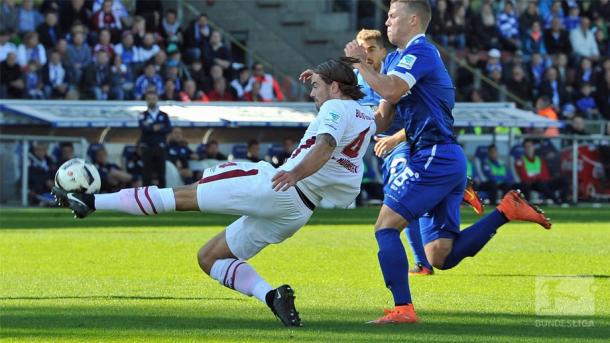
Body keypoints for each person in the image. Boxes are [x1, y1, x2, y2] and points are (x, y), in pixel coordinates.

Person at [53, 57, 375, 327]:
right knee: (209, 258)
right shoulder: (365, 115)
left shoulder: (334, 107)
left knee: (184, 196)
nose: (313, 94)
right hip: (299, 210)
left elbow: (325, 145)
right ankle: (272, 296)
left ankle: (91, 200)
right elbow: (380, 117)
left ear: (335, 87)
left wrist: (294, 172)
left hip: (279, 185)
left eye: (316, 86)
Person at [340, 0, 551, 324]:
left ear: (413, 20)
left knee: (385, 227)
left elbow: (393, 89)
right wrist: (341, 115)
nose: (387, 22)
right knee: (441, 254)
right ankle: (507, 209)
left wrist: (362, 65)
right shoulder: (396, 58)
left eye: (392, 15)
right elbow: (382, 119)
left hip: (433, 155)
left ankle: (403, 309)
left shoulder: (421, 52)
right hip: (441, 159)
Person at [352, 28, 483, 276]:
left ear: (383, 51)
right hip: (389, 144)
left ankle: (420, 266)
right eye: (361, 49)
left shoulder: (399, 66)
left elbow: (419, 116)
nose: (366, 55)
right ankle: (453, 190)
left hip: (404, 144)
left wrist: (395, 138)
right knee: (436, 246)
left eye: (371, 49)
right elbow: (377, 117)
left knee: (396, 205)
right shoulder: (360, 77)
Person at [139, 90, 172, 188]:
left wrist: (152, 127)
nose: (151, 101)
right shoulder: (143, 115)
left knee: (161, 174)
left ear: (157, 99)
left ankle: (163, 198)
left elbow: (169, 128)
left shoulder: (164, 115)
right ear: (146, 101)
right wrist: (158, 127)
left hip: (160, 147)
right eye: (149, 99)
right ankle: (145, 199)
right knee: (146, 175)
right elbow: (143, 128)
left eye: (153, 99)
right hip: (147, 148)